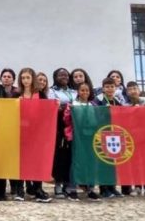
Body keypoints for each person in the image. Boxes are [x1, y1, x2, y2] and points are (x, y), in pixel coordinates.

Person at [12, 68, 52, 203]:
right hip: (20, 132)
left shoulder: (40, 94)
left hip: (36, 133)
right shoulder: (16, 94)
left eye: (28, 78)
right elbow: (9, 112)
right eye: (23, 78)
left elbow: (47, 112)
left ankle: (38, 189)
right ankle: (19, 189)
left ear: (32, 79)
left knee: (36, 161)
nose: (25, 81)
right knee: (20, 160)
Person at [70, 81, 101, 201]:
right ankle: (73, 188)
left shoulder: (93, 105)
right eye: (82, 90)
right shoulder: (74, 104)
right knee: (77, 162)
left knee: (91, 162)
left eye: (87, 90)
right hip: (78, 137)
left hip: (91, 136)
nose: (85, 92)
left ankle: (90, 188)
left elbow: (97, 119)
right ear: (78, 91)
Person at [50, 68, 77, 200]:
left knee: (69, 155)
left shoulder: (74, 91)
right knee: (59, 156)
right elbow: (50, 106)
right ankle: (58, 183)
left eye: (66, 75)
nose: (64, 77)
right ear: (55, 77)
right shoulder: (52, 91)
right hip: (58, 126)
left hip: (72, 126)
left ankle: (68, 183)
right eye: (61, 75)